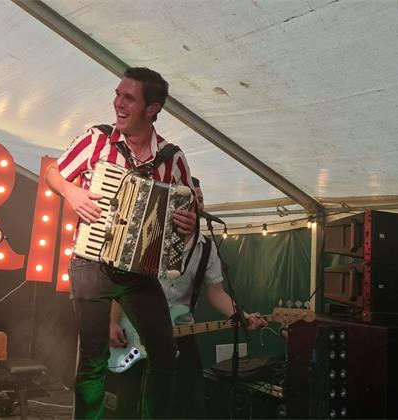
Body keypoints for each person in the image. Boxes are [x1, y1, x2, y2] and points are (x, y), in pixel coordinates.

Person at [45, 67, 197, 419]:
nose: (118, 103)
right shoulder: (96, 140)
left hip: (140, 272)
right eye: (117, 94)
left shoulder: (172, 158)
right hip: (91, 262)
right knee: (93, 358)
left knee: (164, 354)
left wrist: (189, 223)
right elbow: (54, 172)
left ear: (152, 108)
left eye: (128, 98)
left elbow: (188, 208)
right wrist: (71, 192)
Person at [108, 177, 269, 418]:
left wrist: (242, 316)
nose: (198, 204)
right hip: (139, 328)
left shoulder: (207, 248)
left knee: (190, 402)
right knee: (131, 403)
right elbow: (125, 283)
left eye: (201, 200)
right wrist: (112, 322)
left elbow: (216, 292)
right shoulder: (150, 235)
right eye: (192, 199)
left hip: (181, 331)